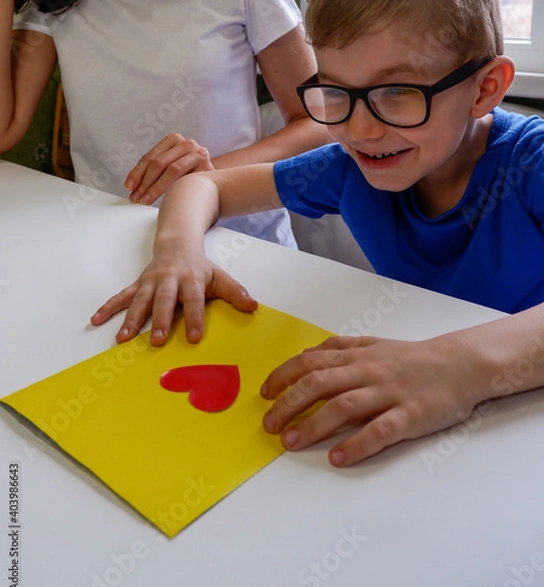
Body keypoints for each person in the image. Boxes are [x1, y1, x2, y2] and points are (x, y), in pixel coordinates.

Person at [92, 0, 544, 468]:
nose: (359, 129)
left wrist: (454, 368)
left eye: (397, 92)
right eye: (335, 91)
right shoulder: (349, 169)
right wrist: (177, 250)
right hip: (435, 423)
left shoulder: (532, 161)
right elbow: (202, 185)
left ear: (485, 89)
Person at [1, 0, 331, 245]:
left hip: (238, 240)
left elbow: (320, 124)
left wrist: (205, 180)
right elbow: (5, 128)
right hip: (110, 238)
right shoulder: (53, 6)